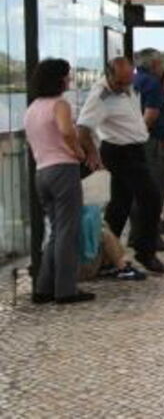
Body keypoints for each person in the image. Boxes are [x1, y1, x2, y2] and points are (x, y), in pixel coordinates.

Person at [77, 57, 164, 274]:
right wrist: (92, 153)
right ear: (109, 75)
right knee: (151, 197)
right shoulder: (101, 95)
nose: (124, 85)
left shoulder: (130, 86)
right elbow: (82, 128)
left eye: (128, 80)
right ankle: (145, 251)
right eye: (119, 82)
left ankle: (109, 254)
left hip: (135, 149)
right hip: (120, 151)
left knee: (120, 205)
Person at [24, 59, 95, 304]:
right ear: (59, 79)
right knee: (68, 230)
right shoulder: (59, 104)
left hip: (42, 172)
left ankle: (44, 287)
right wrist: (77, 151)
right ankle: (66, 289)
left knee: (56, 230)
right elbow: (66, 130)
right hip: (63, 170)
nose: (70, 79)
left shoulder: (33, 107)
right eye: (67, 75)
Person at [132, 48, 164, 250]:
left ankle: (137, 234)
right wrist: (143, 137)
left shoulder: (135, 81)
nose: (163, 67)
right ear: (153, 65)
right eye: (161, 63)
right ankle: (150, 238)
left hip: (140, 141)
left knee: (140, 191)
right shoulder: (152, 84)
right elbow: (150, 116)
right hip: (152, 143)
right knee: (155, 191)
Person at [79, 225, 147, 282]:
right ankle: (122, 266)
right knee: (102, 232)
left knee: (101, 227)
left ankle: (116, 262)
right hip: (79, 271)